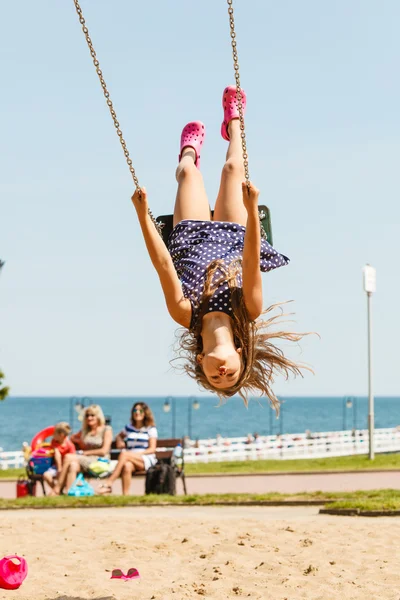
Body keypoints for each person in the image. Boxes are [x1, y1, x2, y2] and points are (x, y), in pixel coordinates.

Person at [131, 85, 308, 411]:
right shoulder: (248, 309)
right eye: (230, 376)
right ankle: (234, 123)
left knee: (187, 174)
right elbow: (252, 257)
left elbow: (163, 265)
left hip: (192, 235)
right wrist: (251, 207)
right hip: (235, 234)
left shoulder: (185, 315)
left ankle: (188, 152)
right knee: (231, 170)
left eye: (215, 378)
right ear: (240, 354)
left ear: (201, 361)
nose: (222, 374)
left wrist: (142, 215)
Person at [97, 402, 157, 495]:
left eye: (140, 410)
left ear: (145, 413)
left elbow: (152, 449)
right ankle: (126, 495)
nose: (137, 412)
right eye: (135, 410)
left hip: (145, 458)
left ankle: (109, 483)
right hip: (130, 459)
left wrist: (135, 455)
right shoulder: (129, 427)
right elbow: (119, 436)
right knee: (127, 466)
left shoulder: (150, 429)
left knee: (124, 454)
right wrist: (119, 440)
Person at [53, 405, 112, 495]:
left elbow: (104, 451)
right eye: (87, 415)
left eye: (92, 415)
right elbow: (72, 438)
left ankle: (57, 488)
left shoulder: (106, 429)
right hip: (86, 460)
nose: (89, 418)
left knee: (69, 457)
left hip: (99, 461)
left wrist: (84, 453)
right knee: (73, 465)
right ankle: (70, 492)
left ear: (98, 416)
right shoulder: (85, 431)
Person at [42, 422, 75, 492]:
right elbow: (57, 455)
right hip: (55, 467)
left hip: (66, 467)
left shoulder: (70, 445)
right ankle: (57, 491)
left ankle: (59, 490)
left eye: (54, 433)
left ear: (61, 435)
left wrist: (61, 469)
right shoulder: (54, 442)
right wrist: (59, 469)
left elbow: (72, 457)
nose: (52, 435)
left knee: (66, 476)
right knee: (46, 475)